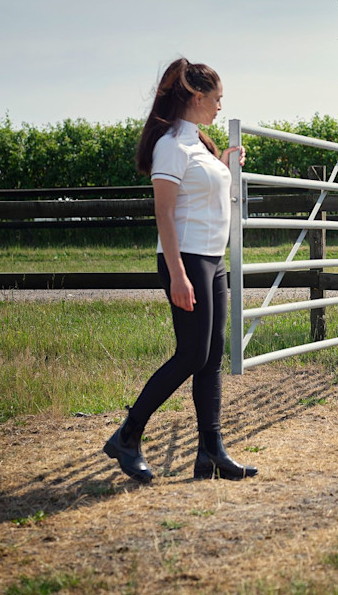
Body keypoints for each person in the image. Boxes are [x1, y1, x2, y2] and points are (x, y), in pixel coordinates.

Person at [104, 58, 257, 483]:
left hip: (212, 260)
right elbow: (165, 214)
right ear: (195, 96)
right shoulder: (170, 144)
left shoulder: (200, 145)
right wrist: (177, 274)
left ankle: (210, 453)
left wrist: (225, 163)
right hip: (185, 260)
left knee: (209, 360)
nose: (220, 107)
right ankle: (127, 436)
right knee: (191, 354)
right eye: (217, 98)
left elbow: (206, 198)